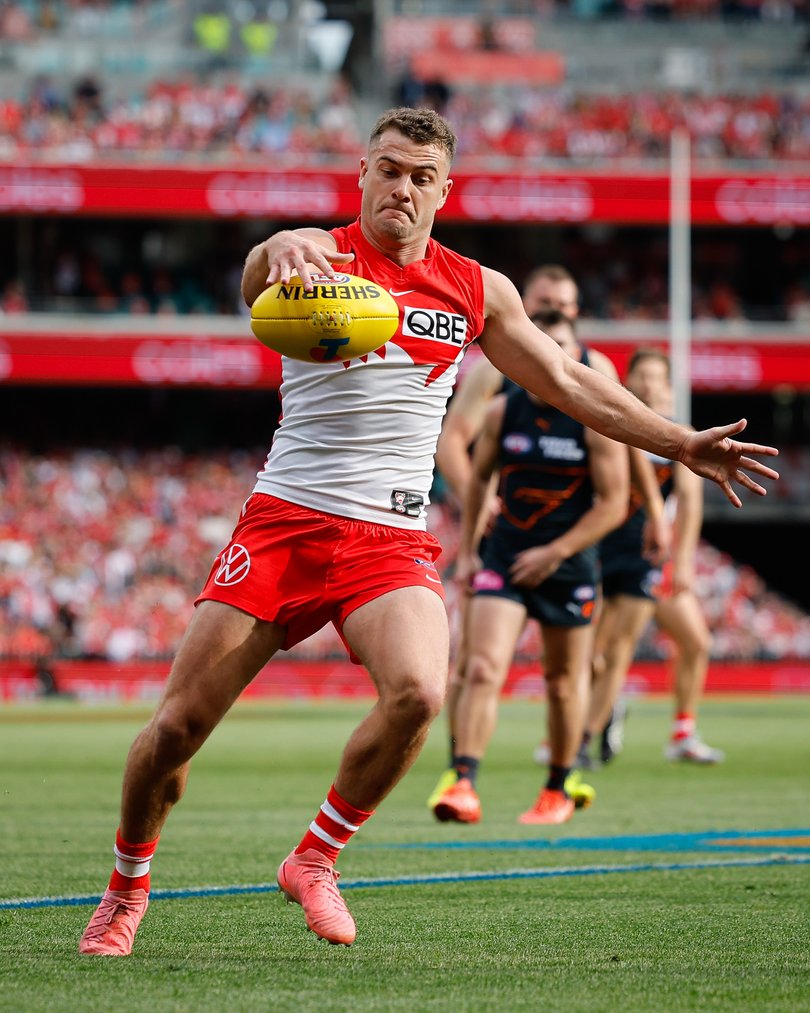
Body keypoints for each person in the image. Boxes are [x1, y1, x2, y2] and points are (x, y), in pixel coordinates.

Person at [78, 107, 777, 957]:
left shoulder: (478, 291)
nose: (401, 188)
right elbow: (258, 273)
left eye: (420, 176)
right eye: (388, 169)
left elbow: (564, 380)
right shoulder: (315, 254)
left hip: (388, 539)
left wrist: (679, 442)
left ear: (446, 191)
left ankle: (315, 857)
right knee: (179, 728)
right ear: (362, 173)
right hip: (286, 522)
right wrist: (281, 244)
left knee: (419, 690)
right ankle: (126, 887)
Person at [428, 266, 669, 806]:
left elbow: (626, 443)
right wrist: (477, 503)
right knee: (476, 662)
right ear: (522, 305)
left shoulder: (596, 367)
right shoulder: (496, 367)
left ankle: (568, 765)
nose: (549, 312)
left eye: (563, 303)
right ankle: (460, 770)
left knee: (578, 667)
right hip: (506, 536)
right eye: (541, 302)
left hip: (574, 536)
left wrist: (654, 508)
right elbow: (455, 443)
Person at [581, 348, 724, 766]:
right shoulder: (612, 425)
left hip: (652, 558)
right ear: (627, 381)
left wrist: (682, 561)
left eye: (657, 377)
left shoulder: (679, 436)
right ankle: (589, 723)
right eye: (641, 375)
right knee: (600, 651)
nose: (649, 384)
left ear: (668, 386)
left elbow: (691, 501)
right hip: (606, 549)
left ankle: (681, 732)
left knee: (695, 641)